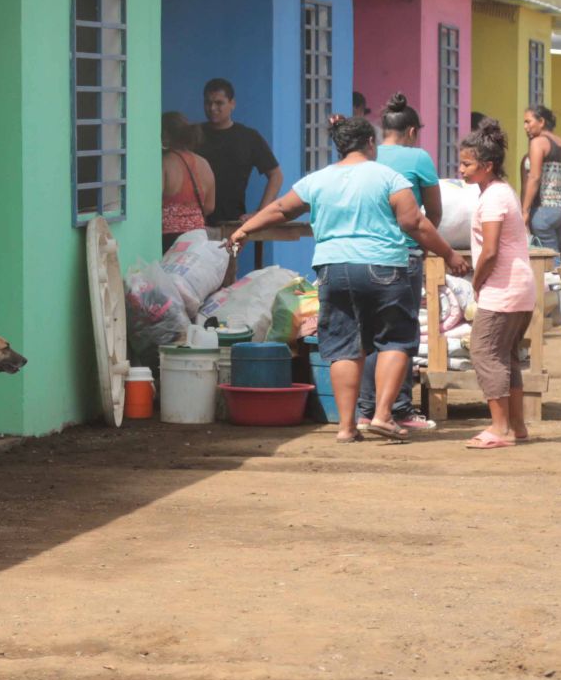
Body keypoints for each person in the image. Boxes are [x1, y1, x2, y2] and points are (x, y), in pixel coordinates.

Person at [227, 116, 464, 444]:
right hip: (384, 268)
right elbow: (415, 222)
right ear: (370, 144)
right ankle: (383, 415)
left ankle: (346, 426)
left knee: (343, 347)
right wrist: (449, 254)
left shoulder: (318, 180)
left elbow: (282, 209)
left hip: (333, 269)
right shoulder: (389, 177)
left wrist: (245, 229)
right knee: (395, 340)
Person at [357, 93, 451, 429]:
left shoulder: (366, 156)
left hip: (362, 255)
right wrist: (425, 240)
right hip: (403, 254)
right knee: (400, 334)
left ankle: (366, 411)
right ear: (411, 131)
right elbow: (434, 210)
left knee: (370, 336)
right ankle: (398, 408)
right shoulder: (419, 158)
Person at [457, 121, 538, 449]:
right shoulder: (503, 192)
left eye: (467, 164)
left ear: (486, 166)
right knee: (506, 356)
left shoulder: (493, 198)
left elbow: (489, 251)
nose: (460, 170)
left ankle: (499, 428)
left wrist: (475, 281)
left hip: (502, 289)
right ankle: (516, 426)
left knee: (485, 352)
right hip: (519, 288)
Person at [521, 104, 561, 326]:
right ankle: (549, 311)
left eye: (529, 121)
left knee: (551, 266)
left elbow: (535, 177)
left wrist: (525, 210)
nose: (526, 126)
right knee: (560, 264)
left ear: (542, 122)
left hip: (544, 211)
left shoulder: (538, 143)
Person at [199, 78, 283, 225]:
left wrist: (260, 213)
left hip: (232, 223)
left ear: (232, 104)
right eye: (208, 103)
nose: (212, 108)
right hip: (195, 224)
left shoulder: (248, 137)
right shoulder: (194, 135)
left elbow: (276, 175)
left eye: (219, 103)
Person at [159, 112, 216, 250]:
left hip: (169, 239)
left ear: (164, 136)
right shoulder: (204, 163)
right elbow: (209, 207)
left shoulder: (164, 163)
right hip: (198, 237)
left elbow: (152, 205)